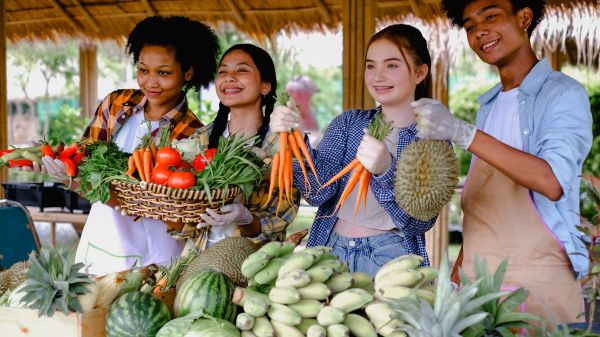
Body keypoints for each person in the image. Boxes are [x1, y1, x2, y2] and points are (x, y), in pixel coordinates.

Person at [413, 0, 591, 323]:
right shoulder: (489, 106)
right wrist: (457, 275)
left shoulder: (563, 95)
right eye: (469, 26)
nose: (480, 31)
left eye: (491, 16)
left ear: (523, 18)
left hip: (539, 288)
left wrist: (462, 132)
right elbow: (484, 210)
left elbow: (552, 182)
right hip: (477, 286)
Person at [31, 16, 220, 275]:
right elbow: (86, 169)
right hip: (102, 242)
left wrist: (103, 190)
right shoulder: (116, 104)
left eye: (163, 73)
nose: (150, 82)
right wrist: (67, 176)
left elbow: (178, 216)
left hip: (157, 257)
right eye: (143, 70)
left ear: (187, 72)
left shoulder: (194, 135)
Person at [270, 24, 437, 276]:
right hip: (331, 248)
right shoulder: (349, 123)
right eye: (371, 66)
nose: (378, 76)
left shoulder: (431, 140)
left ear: (419, 72)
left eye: (392, 65)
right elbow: (317, 192)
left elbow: (419, 222)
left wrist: (385, 171)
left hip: (392, 257)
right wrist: (292, 139)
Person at [176, 44, 299, 251]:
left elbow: (279, 217)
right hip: (197, 259)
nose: (229, 77)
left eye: (241, 70)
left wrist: (246, 218)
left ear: (265, 86)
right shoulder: (200, 140)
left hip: (254, 264)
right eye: (222, 71)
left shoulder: (283, 144)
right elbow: (184, 223)